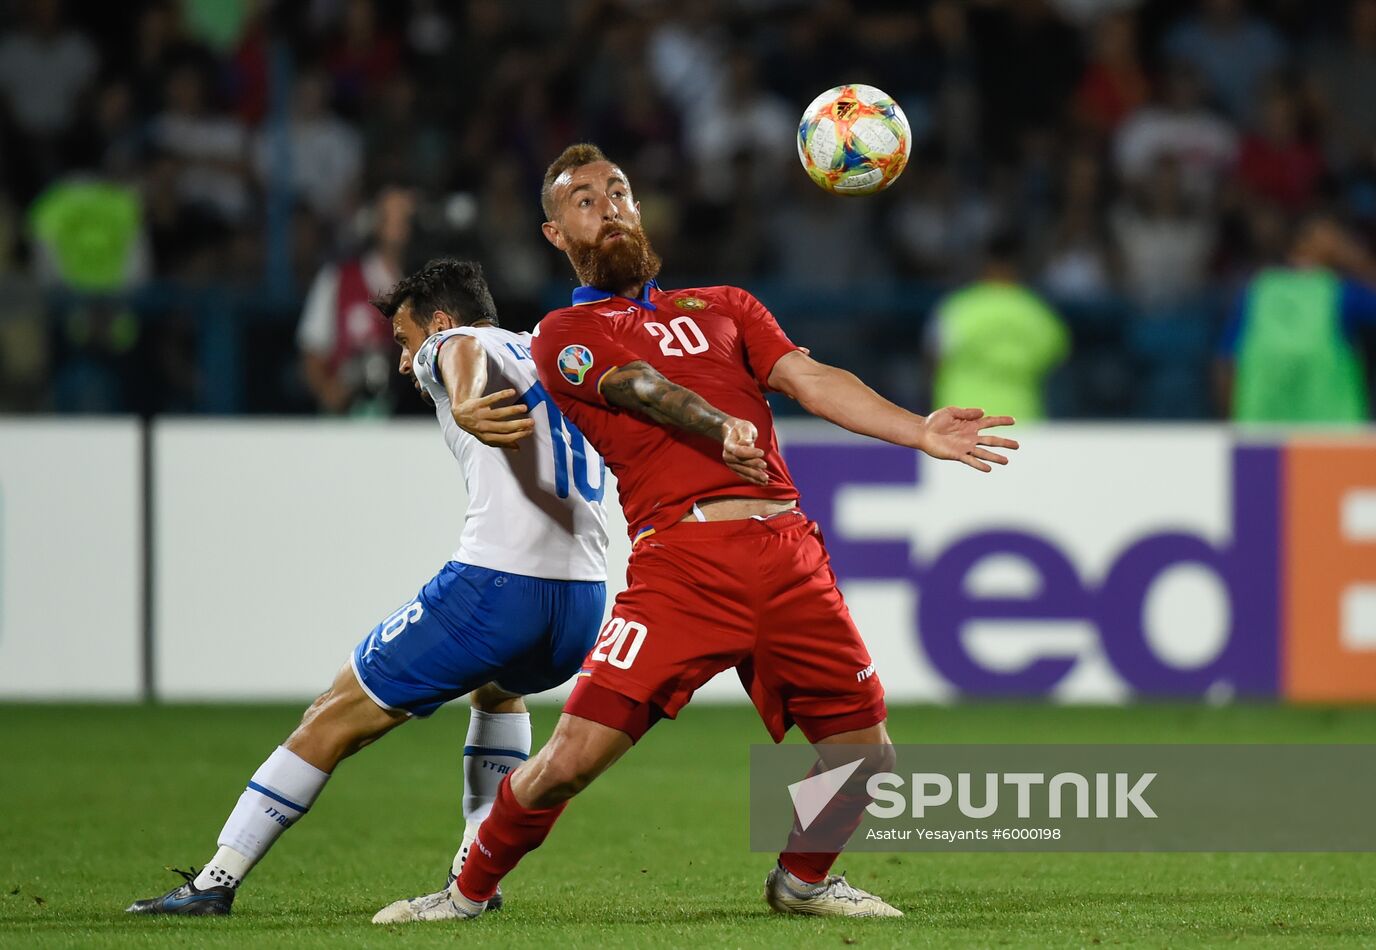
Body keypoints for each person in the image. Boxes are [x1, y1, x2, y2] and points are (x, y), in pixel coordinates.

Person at [374, 144, 1018, 924]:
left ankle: (802, 881)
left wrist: (917, 430)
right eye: (583, 199)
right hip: (683, 565)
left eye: (619, 190)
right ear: (554, 234)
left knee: (865, 755)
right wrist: (719, 428)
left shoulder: (726, 305)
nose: (608, 205)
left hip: (789, 557)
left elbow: (810, 380)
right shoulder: (564, 332)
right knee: (571, 761)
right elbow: (637, 390)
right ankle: (466, 890)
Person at [126, 259, 608, 916]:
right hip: (581, 602)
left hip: (499, 588)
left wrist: (464, 402)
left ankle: (215, 881)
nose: (407, 363)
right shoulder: (549, 353)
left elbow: (457, 351)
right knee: (500, 693)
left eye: (406, 341)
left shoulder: (460, 342)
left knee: (332, 713)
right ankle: (478, 878)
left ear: (436, 320)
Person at [1218, 218, 1376, 423]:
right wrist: (1357, 260)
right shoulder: (1340, 294)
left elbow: (1225, 363)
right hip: (1327, 437)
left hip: (1263, 436)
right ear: (1303, 241)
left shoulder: (1258, 290)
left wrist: (1229, 420)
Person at [925, 233, 1069, 423]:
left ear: (983, 263)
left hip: (960, 420)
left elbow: (933, 360)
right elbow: (1058, 361)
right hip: (1022, 418)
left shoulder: (958, 308)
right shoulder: (1039, 314)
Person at [297, 185, 414, 416]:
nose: (398, 225)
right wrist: (330, 393)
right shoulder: (339, 279)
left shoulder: (428, 286)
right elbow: (312, 352)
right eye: (390, 216)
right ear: (375, 221)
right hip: (349, 419)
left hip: (409, 417)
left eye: (405, 217)